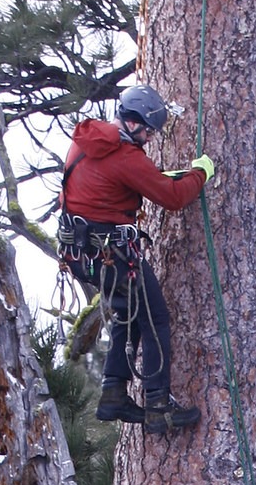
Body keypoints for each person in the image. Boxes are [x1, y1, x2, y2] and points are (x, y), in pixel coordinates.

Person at [59, 83, 215, 435]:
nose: (147, 137)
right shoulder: (126, 158)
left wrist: (152, 179)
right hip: (114, 253)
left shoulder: (86, 142)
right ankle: (158, 404)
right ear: (130, 122)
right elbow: (174, 197)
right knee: (155, 318)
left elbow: (108, 185)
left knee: (126, 314)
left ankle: (114, 392)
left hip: (83, 253)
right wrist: (201, 172)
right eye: (145, 129)